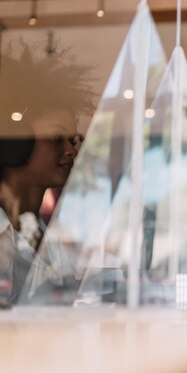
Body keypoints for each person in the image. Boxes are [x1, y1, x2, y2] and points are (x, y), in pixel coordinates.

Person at [0, 41, 94, 306]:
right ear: (15, 141)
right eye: (56, 138)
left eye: (74, 141)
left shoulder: (46, 236)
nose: (70, 151)